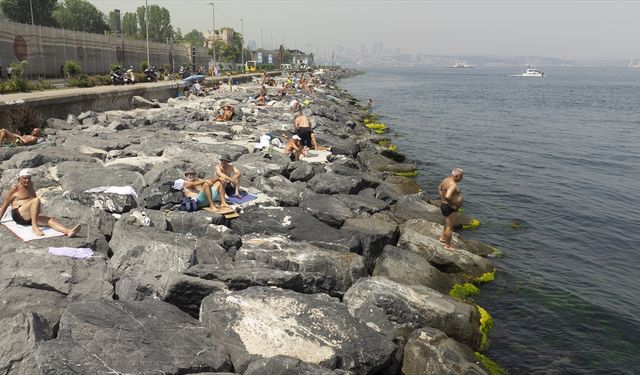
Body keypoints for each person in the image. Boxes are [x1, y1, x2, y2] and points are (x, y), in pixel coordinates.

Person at [0, 169, 81, 237]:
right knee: (36, 200)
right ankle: (34, 227)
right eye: (24, 178)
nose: (27, 180)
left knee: (50, 220)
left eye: (29, 178)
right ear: (19, 179)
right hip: (18, 215)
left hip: (30, 216)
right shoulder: (15, 189)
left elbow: (32, 201)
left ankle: (68, 231)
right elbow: (5, 205)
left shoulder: (31, 186)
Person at [438, 168, 464, 250]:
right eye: (461, 176)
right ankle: (447, 245)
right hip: (449, 207)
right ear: (456, 176)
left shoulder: (446, 179)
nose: (462, 178)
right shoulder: (453, 185)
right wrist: (452, 205)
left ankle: (442, 238)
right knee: (450, 227)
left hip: (444, 205)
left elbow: (439, 188)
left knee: (447, 223)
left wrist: (442, 198)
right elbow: (448, 196)